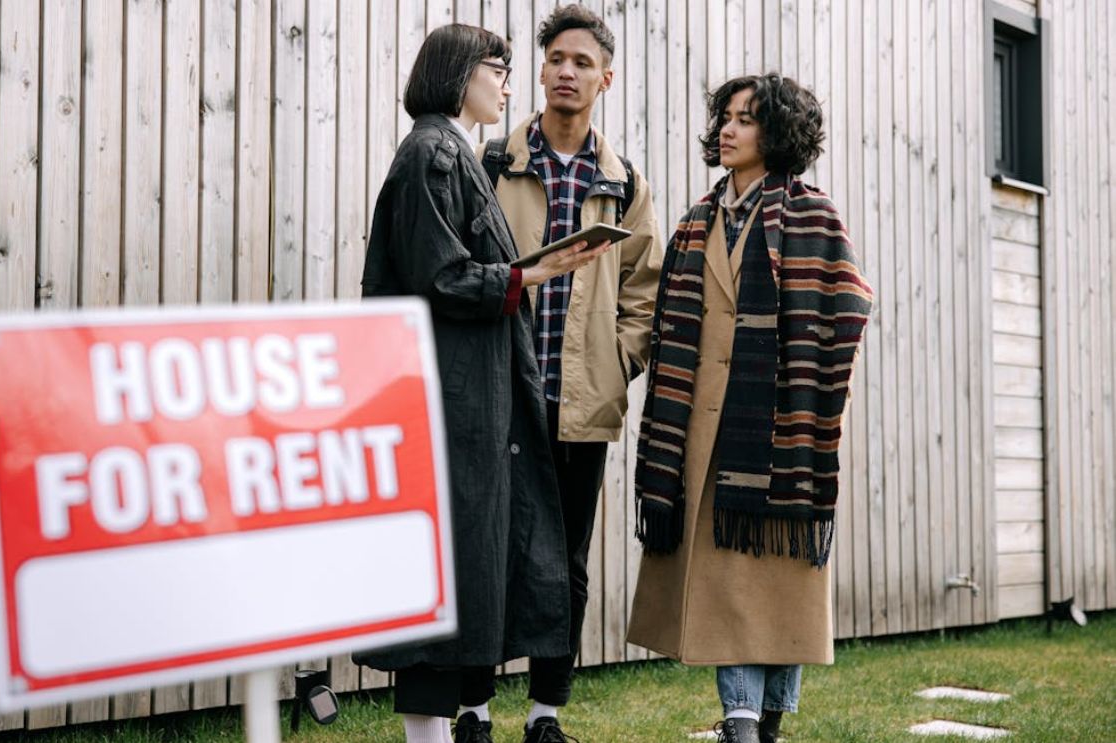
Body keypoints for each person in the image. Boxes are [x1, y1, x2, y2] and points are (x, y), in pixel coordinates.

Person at [356, 23, 611, 743]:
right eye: (497, 69)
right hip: (450, 396)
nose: (508, 83)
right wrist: (530, 273)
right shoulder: (435, 152)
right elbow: (438, 275)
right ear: (462, 74)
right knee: (445, 559)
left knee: (461, 559)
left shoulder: (447, 150)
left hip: (464, 394)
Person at [626, 74, 874, 743]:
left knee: (777, 594)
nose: (728, 130)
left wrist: (810, 396)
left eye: (746, 119)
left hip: (779, 432)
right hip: (700, 436)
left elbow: (847, 307)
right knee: (728, 590)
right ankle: (741, 723)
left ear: (779, 132)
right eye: (725, 118)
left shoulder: (811, 215)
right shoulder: (695, 220)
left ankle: (762, 722)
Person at [476, 5, 662, 741]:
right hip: (499, 403)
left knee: (565, 563)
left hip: (580, 405)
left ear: (603, 79)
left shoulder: (623, 182)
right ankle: (472, 709)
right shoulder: (492, 162)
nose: (565, 71)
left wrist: (617, 362)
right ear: (539, 70)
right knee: (485, 555)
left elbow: (646, 289)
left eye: (582, 62)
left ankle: (545, 712)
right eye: (555, 57)